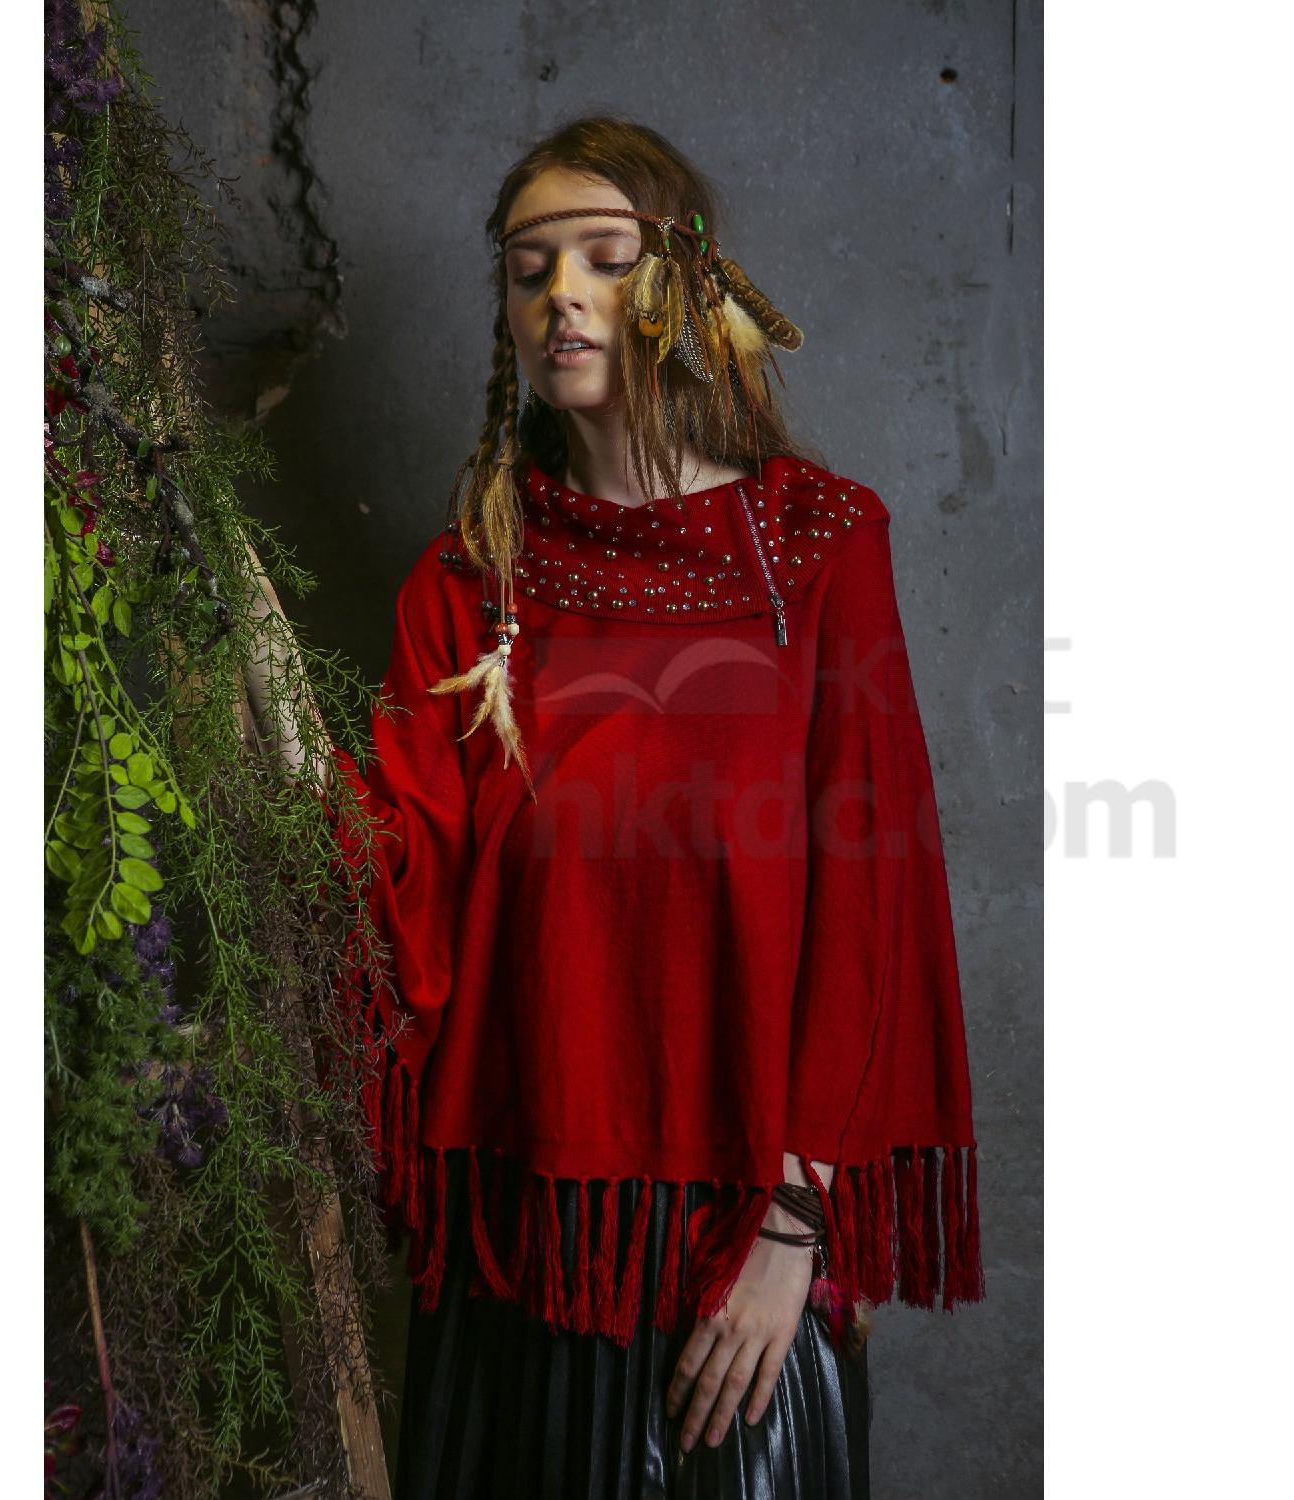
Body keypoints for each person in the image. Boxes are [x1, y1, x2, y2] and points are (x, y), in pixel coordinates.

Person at [305, 115, 984, 1499]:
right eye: (528, 268)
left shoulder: (818, 550)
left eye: (603, 258)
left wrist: (790, 1233)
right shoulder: (471, 581)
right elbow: (401, 876)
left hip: (749, 1244)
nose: (560, 294)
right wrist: (269, 785)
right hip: (522, 1233)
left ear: (683, 282)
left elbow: (868, 905)